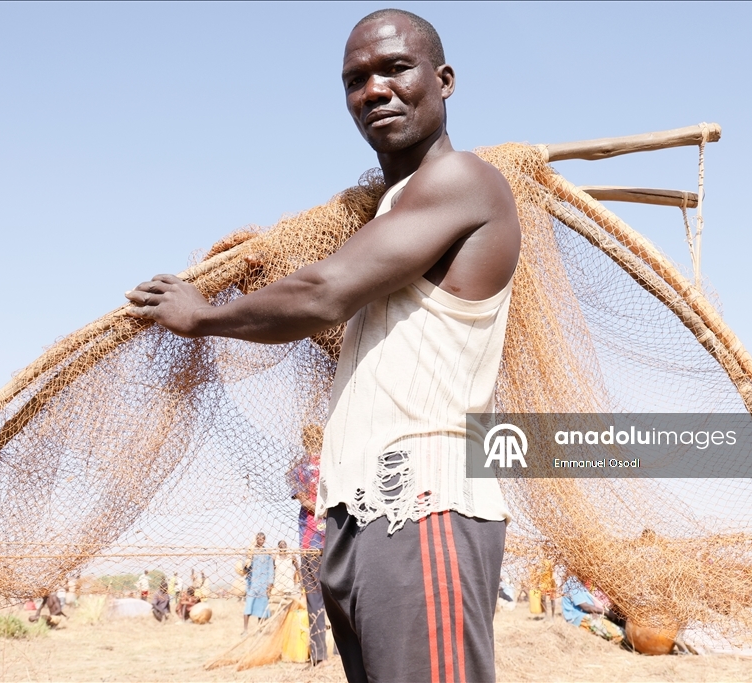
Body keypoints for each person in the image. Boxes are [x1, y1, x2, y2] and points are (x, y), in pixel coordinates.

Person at [125, 9, 520, 682]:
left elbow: (322, 293)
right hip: (357, 513)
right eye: (356, 79)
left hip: (421, 503)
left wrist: (203, 316)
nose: (375, 90)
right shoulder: (389, 210)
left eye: (396, 68)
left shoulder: (463, 182)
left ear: (444, 79)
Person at [288, 424, 330, 667]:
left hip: (310, 539)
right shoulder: (333, 462)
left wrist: (315, 508)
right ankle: (342, 651)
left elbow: (302, 498)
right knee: (339, 592)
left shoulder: (298, 467)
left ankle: (319, 655)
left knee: (314, 595)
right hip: (334, 535)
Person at [561, 575, 624, 643]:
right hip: (579, 618)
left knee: (621, 630)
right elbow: (585, 606)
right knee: (621, 634)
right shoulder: (573, 582)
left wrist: (595, 612)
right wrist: (607, 613)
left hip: (587, 615)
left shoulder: (583, 582)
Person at [242, 532, 274, 635]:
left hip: (263, 584)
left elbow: (270, 568)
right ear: (255, 539)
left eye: (263, 538)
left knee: (261, 607)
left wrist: (270, 583)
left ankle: (259, 629)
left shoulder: (267, 553)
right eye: (259, 538)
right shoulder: (251, 551)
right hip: (252, 583)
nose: (261, 540)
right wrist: (246, 563)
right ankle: (245, 630)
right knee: (248, 606)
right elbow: (244, 567)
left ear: (265, 540)